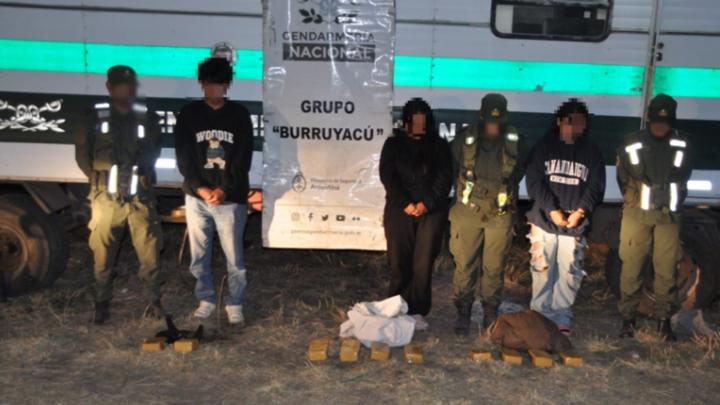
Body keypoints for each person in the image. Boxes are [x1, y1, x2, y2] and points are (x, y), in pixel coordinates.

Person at [75, 65, 164, 324]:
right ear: (110, 87)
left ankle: (154, 301)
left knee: (150, 253)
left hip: (140, 198)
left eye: (129, 85)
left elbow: (154, 150)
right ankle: (101, 303)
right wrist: (98, 181)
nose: (126, 90)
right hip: (107, 199)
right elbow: (82, 154)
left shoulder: (147, 117)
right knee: (102, 255)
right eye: (120, 85)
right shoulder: (94, 116)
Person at [175, 57, 254, 325]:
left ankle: (235, 302)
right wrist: (201, 188)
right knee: (199, 256)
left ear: (227, 85)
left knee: (235, 258)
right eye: (209, 84)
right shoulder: (189, 114)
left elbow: (242, 159)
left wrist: (223, 190)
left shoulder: (239, 114)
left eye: (219, 84)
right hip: (197, 198)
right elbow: (184, 157)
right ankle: (206, 299)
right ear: (201, 84)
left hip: (230, 199)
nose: (214, 89)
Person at [525, 98, 605, 337]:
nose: (574, 126)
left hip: (574, 223)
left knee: (569, 271)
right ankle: (539, 316)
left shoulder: (591, 151)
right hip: (545, 219)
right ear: (559, 121)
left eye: (580, 122)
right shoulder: (544, 146)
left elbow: (596, 186)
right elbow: (534, 181)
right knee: (542, 268)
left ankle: (561, 317)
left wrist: (580, 211)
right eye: (570, 121)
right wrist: (552, 210)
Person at [616, 94, 692, 341]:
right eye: (657, 121)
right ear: (649, 119)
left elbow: (684, 175)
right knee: (631, 268)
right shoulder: (632, 143)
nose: (661, 126)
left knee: (666, 271)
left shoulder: (683, 143)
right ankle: (628, 320)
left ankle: (663, 322)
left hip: (668, 217)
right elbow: (622, 177)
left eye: (665, 122)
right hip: (636, 216)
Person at [450, 93, 525, 336]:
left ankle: (490, 313)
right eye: (490, 119)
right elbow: (452, 165)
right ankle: (463, 312)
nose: (494, 125)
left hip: (499, 214)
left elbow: (519, 173)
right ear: (481, 115)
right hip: (468, 212)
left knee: (494, 267)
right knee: (465, 265)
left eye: (498, 120)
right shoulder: (465, 139)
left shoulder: (515, 141)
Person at [379, 98, 453, 330]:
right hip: (400, 210)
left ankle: (418, 309)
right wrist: (406, 203)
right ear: (405, 122)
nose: (419, 127)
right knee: (399, 261)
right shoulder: (393, 144)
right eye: (414, 122)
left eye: (423, 122)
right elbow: (388, 176)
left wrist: (426, 204)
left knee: (423, 263)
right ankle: (396, 306)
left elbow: (444, 177)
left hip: (431, 212)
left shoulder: (439, 145)